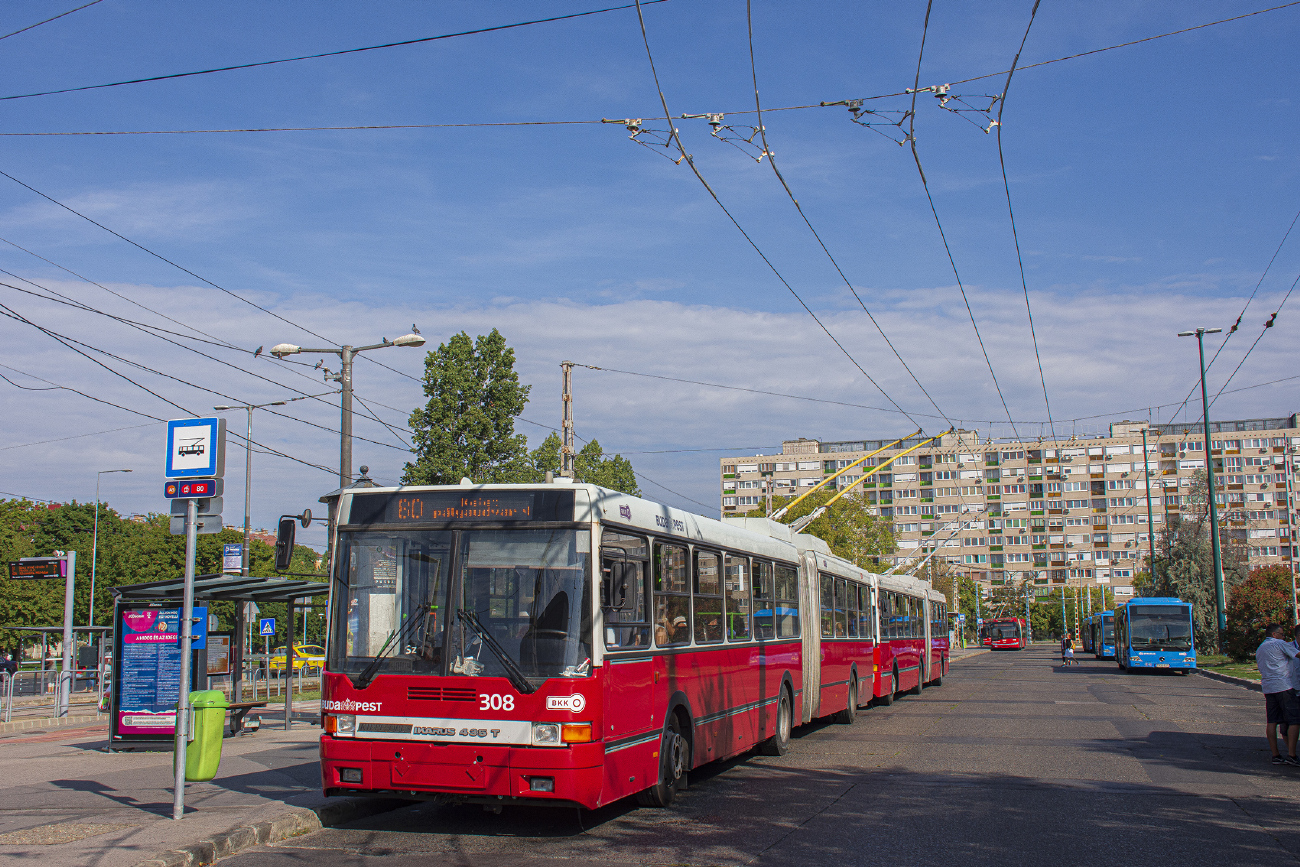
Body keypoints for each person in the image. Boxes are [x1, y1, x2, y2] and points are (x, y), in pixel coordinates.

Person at [1255, 623, 1300, 766]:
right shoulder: (1280, 644)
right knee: (1294, 721)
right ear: (1274, 635)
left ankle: (1276, 755)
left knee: (1272, 722)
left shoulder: (1260, 648)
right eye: (1281, 634)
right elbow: (1297, 654)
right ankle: (1292, 755)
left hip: (1268, 688)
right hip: (1284, 686)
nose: (1283, 637)